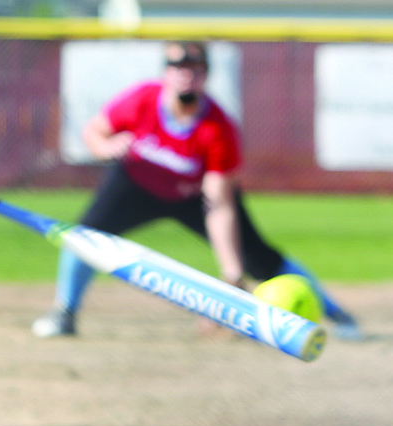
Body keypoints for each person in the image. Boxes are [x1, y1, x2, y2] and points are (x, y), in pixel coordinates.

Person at [32, 40, 362, 340]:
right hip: (135, 184)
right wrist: (105, 147)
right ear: (165, 74)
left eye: (195, 69)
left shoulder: (217, 128)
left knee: (261, 260)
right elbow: (95, 131)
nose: (185, 76)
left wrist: (231, 275)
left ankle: (336, 314)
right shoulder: (143, 99)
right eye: (177, 68)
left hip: (192, 195)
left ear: (205, 76)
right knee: (85, 238)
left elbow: (218, 204)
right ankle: (65, 313)